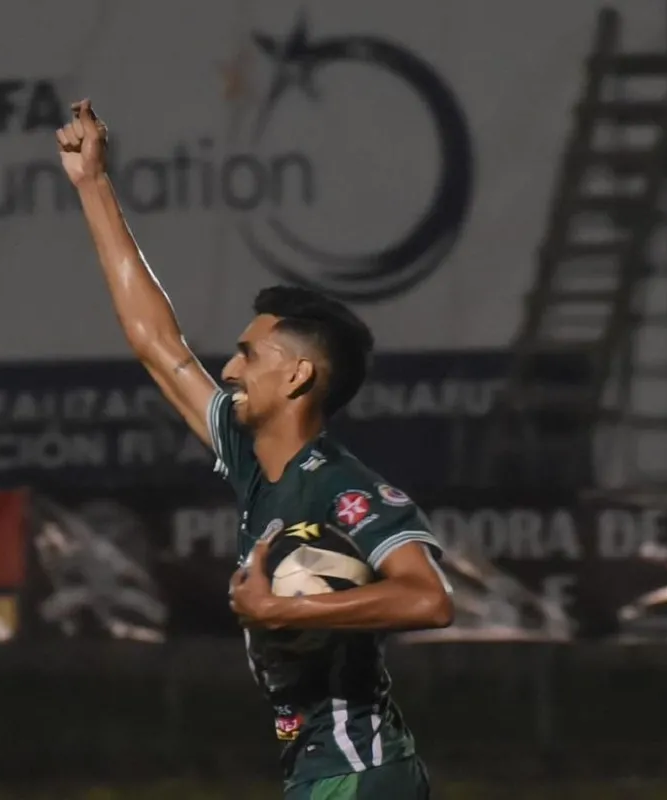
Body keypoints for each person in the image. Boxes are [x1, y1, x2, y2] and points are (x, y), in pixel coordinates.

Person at [57, 99, 453, 800]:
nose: (229, 370)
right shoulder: (252, 460)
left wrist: (287, 613)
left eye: (247, 355)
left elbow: (428, 600)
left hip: (359, 780)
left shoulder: (343, 489)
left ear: (298, 375)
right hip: (330, 779)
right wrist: (93, 185)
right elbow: (157, 344)